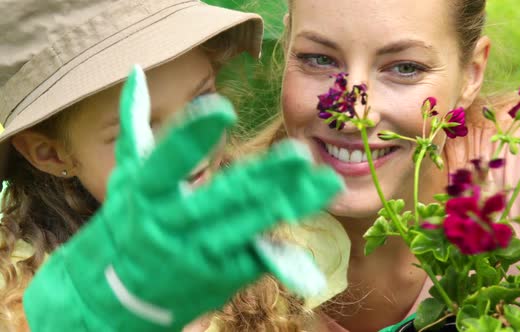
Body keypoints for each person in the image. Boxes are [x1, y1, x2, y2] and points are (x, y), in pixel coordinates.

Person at [208, 0, 520, 331]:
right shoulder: (216, 233)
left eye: (405, 68)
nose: (355, 112)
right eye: (319, 59)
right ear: (287, 47)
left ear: (471, 74)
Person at [0, 0, 343, 331]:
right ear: (51, 153)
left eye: (200, 99)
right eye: (143, 128)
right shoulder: (20, 299)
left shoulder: (286, 240)